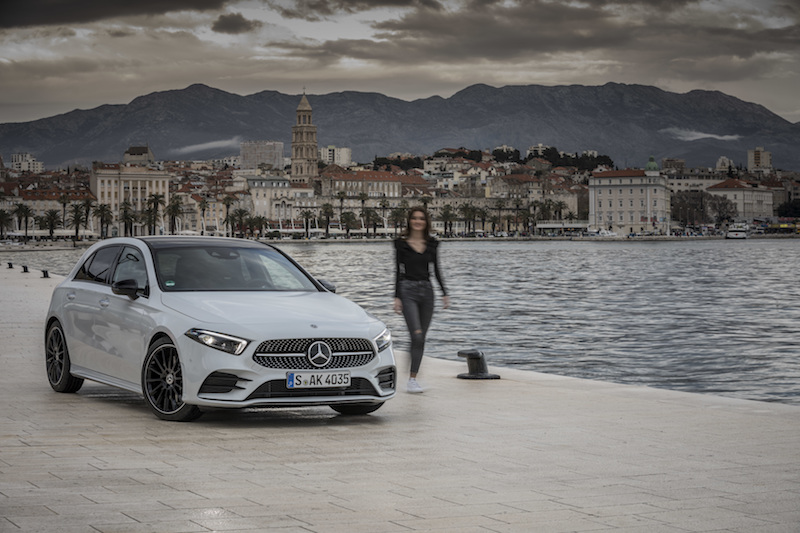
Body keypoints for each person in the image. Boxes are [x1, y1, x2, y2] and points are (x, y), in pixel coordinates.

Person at [393, 207, 449, 393]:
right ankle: (411, 379)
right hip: (407, 290)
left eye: (421, 218)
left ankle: (413, 377)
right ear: (409, 221)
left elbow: (436, 269)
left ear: (426, 222)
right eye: (415, 218)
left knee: (420, 338)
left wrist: (444, 292)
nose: (418, 221)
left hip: (427, 291)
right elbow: (397, 271)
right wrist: (396, 297)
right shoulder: (400, 244)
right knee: (416, 335)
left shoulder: (432, 244)